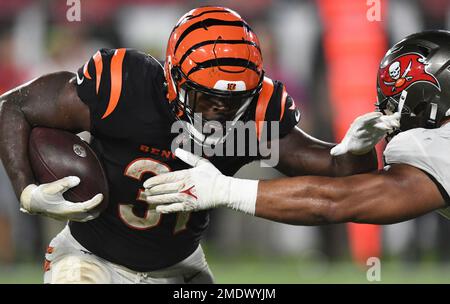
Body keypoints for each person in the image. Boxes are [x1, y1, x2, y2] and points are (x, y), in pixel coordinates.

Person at [0, 6, 396, 284]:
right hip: (91, 261)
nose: (220, 111)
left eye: (234, 99)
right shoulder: (123, 85)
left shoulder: (257, 114)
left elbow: (346, 180)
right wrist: (27, 192)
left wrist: (356, 148)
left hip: (180, 267)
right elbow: (13, 106)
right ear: (174, 79)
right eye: (207, 96)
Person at [144, 30, 450, 227]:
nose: (387, 112)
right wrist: (356, 154)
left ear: (425, 99)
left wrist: (224, 190)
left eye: (393, 103)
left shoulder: (439, 145)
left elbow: (337, 202)